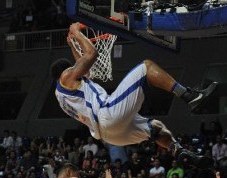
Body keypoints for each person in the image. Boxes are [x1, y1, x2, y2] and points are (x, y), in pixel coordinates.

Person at [51, 22, 217, 169]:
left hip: (110, 136)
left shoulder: (61, 96)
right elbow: (91, 55)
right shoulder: (66, 77)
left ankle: (179, 151)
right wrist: (77, 32)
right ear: (64, 72)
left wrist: (73, 45)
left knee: (156, 128)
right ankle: (188, 95)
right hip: (107, 114)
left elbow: (84, 69)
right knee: (146, 67)